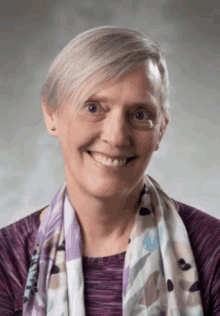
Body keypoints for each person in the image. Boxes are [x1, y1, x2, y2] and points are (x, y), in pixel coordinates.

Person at [0, 26, 219, 316]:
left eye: (140, 115)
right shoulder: (7, 260)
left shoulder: (213, 251)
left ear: (161, 129)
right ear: (52, 114)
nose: (116, 137)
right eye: (93, 108)